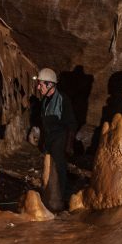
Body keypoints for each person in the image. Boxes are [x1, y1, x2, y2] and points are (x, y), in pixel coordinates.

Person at [35, 67, 77, 210]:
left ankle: (61, 199)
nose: (38, 87)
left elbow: (71, 124)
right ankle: (49, 195)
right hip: (49, 137)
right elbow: (43, 123)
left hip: (60, 137)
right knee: (48, 167)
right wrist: (42, 140)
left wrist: (69, 145)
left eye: (41, 84)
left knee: (59, 168)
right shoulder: (45, 101)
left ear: (50, 85)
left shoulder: (62, 99)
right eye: (39, 84)